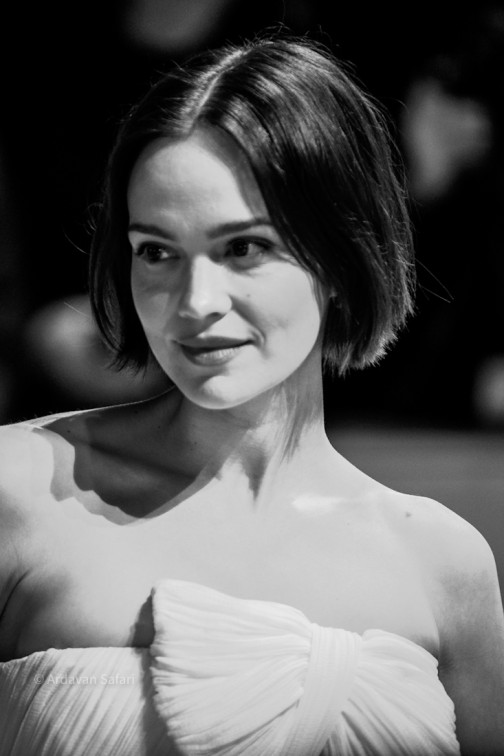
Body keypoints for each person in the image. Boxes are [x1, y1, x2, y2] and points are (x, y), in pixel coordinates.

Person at [0, 33, 503, 756]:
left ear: (341, 254)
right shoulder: (19, 493)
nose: (196, 301)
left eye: (244, 248)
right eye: (157, 252)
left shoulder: (443, 564)